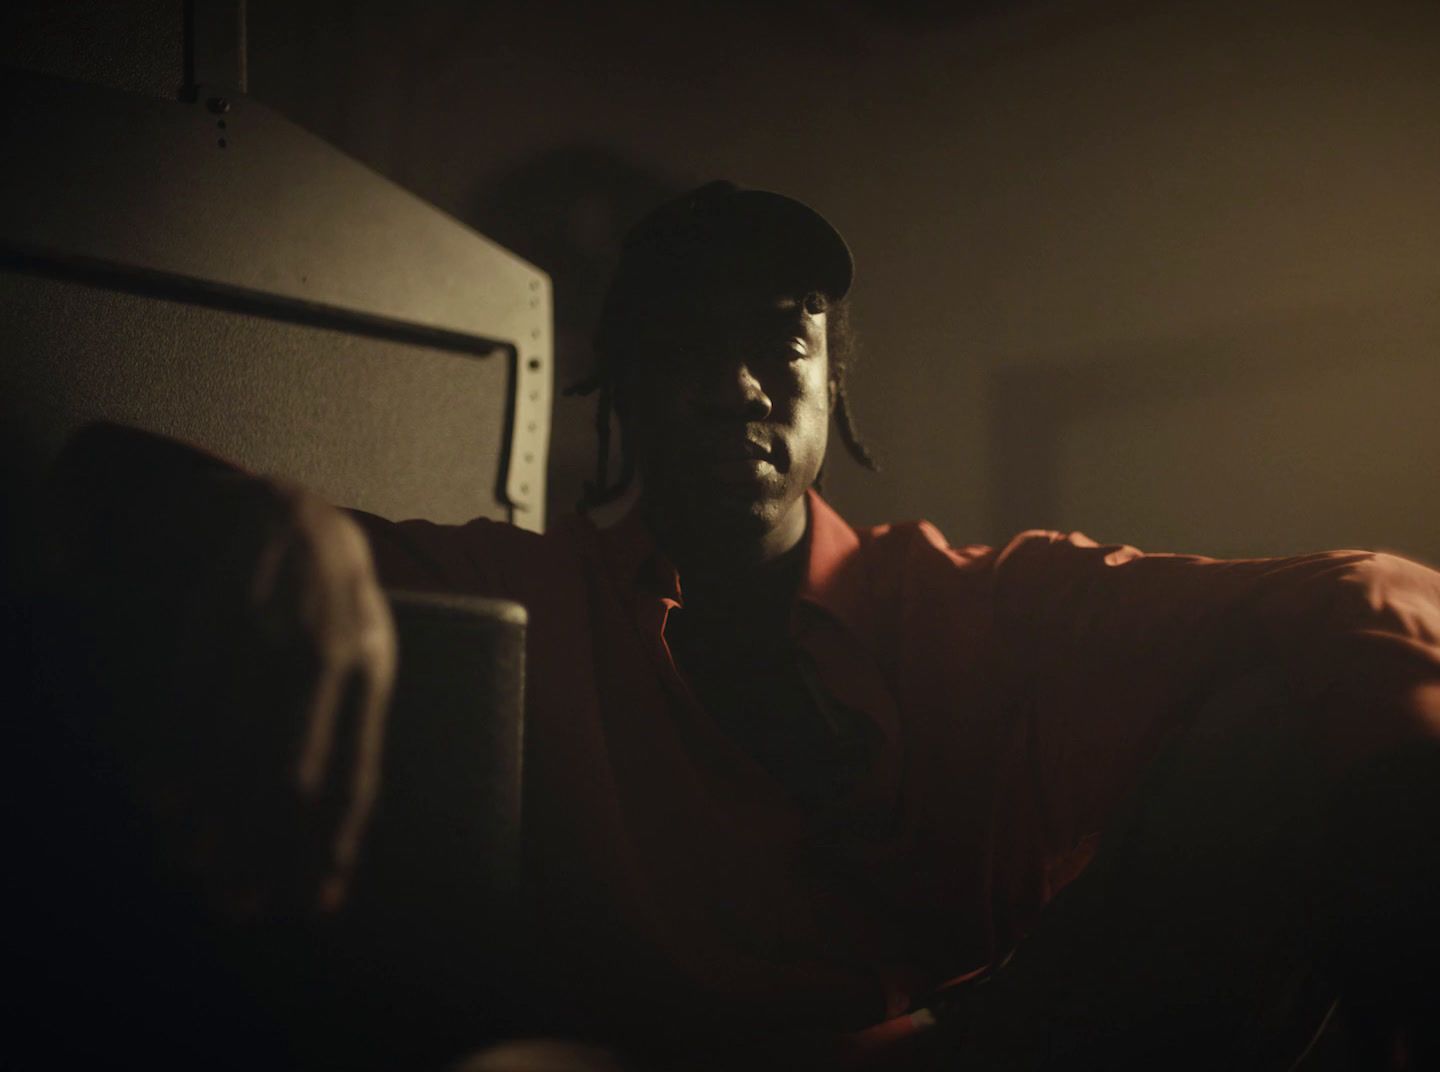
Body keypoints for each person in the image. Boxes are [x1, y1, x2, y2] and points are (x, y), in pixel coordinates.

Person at [24, 182, 1440, 1070]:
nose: (737, 385)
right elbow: (93, 480)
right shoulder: (526, 593)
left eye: (780, 339)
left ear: (832, 388)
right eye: (683, 351)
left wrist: (1390, 791)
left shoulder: (974, 601)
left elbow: (1375, 592)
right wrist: (270, 523)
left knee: (1300, 705)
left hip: (981, 1048)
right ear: (621, 397)